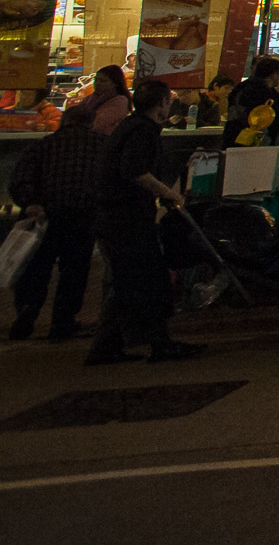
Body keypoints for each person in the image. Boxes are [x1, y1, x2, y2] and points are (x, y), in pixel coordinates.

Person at [89, 78, 200, 365]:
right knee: (148, 282)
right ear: (164, 102)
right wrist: (167, 194)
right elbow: (134, 170)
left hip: (115, 217)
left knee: (126, 284)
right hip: (126, 220)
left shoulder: (130, 126)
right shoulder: (143, 130)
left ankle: (107, 347)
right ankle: (157, 343)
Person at [9, 97, 111, 341]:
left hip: (46, 214)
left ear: (63, 121)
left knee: (37, 266)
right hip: (83, 215)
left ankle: (28, 306)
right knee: (74, 270)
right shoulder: (103, 145)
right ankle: (62, 322)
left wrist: (31, 203)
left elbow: (21, 178)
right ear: (91, 122)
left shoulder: (44, 145)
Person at [220, 57, 279, 148]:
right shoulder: (265, 93)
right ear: (274, 75)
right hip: (257, 143)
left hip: (233, 138)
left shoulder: (241, 87)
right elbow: (277, 114)